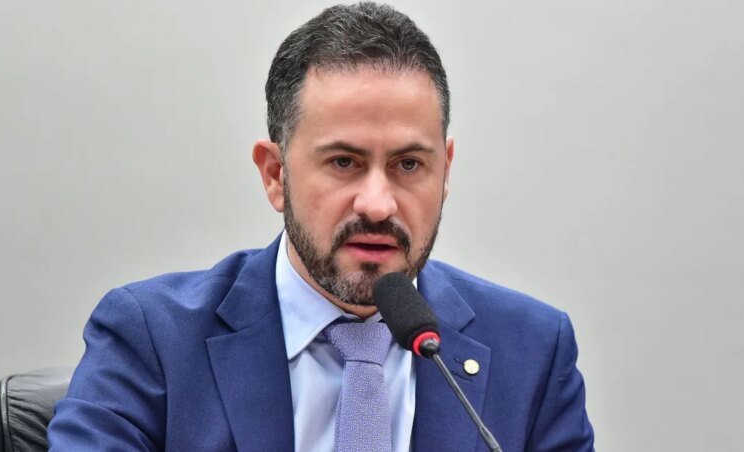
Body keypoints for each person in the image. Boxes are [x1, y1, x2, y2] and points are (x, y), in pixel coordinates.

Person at [47, 3, 594, 451]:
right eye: (343, 162)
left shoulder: (533, 350)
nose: (377, 204)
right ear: (275, 174)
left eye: (409, 164)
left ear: (445, 172)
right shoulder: (153, 339)